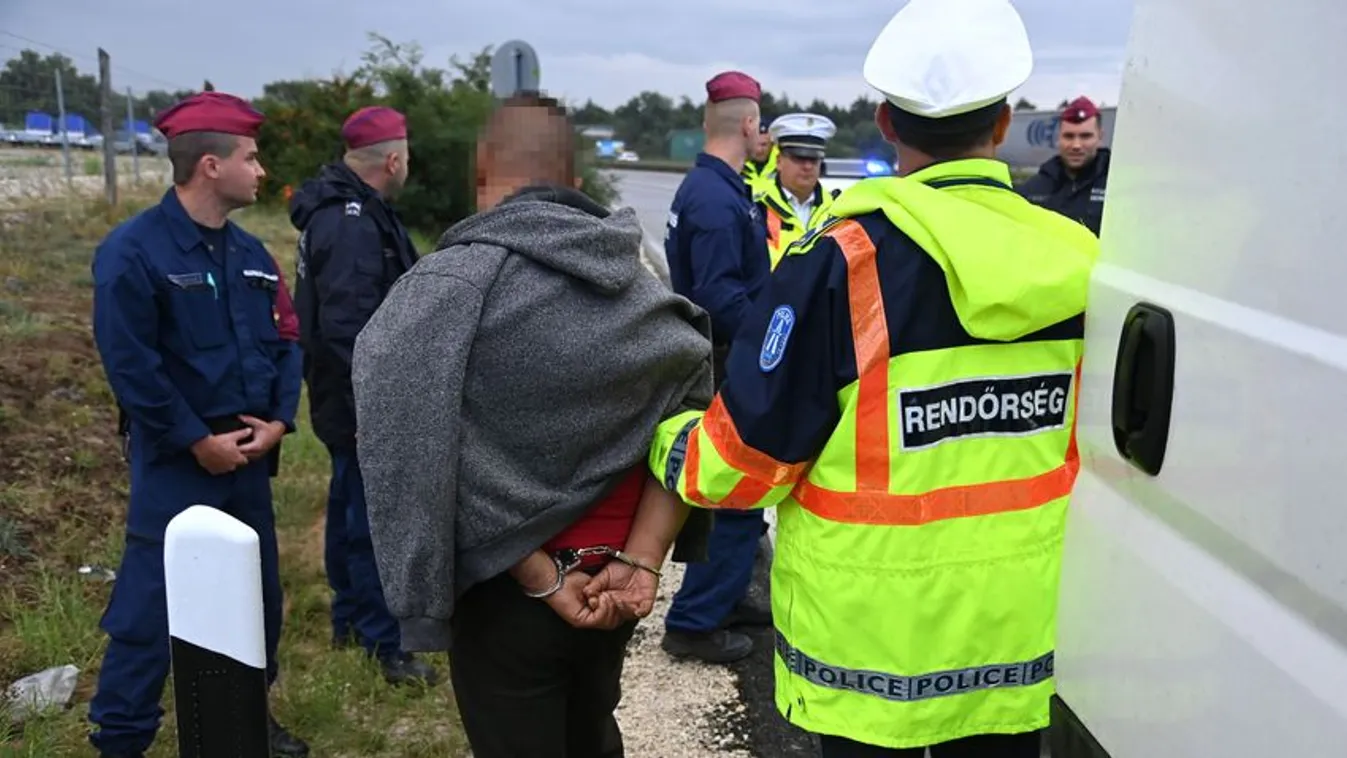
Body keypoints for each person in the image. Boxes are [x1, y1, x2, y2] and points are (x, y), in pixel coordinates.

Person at [647, 0, 1101, 755]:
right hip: (1014, 635)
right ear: (1003, 124)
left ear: (886, 122)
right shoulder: (1081, 258)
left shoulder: (842, 261)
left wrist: (664, 440)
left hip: (868, 650)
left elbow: (743, 466)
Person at [349, 92, 715, 758]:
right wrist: (643, 558)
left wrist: (539, 573)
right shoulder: (641, 282)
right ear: (572, 178)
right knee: (592, 732)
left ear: (482, 170)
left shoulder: (450, 284)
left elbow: (406, 437)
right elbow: (689, 422)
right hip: (618, 580)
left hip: (506, 592)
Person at [87, 91, 309, 758]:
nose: (261, 171)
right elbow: (132, 365)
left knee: (255, 599)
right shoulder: (132, 252)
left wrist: (278, 422)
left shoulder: (252, 253)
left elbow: (287, 340)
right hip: (178, 465)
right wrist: (195, 440)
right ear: (211, 165)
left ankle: (247, 721)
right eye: (251, 158)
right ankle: (122, 737)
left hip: (247, 461)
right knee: (149, 607)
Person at [288, 106, 435, 686]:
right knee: (374, 519)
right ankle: (383, 642)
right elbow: (350, 327)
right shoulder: (351, 222)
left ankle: (350, 620)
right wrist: (378, 403)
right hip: (359, 395)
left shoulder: (348, 211)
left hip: (343, 391)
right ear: (393, 160)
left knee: (351, 503)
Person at [661, 70, 774, 665]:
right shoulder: (714, 199)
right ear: (750, 124)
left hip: (722, 358)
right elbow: (718, 296)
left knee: (741, 493)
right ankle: (695, 621)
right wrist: (778, 341)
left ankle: (729, 597)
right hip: (729, 363)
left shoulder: (714, 187)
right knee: (734, 494)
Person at [756, 112, 842, 268]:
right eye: (799, 158)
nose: (807, 166)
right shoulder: (756, 207)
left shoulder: (837, 210)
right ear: (779, 161)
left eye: (814, 159)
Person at [1016, 96, 1111, 235]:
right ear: (1059, 137)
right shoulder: (1033, 189)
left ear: (1100, 137)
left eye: (1085, 136)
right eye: (1069, 136)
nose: (1076, 145)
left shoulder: (1117, 186)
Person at [741, 121, 778, 197]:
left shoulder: (783, 166)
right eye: (755, 144)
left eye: (764, 145)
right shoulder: (737, 166)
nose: (759, 150)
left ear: (772, 144)